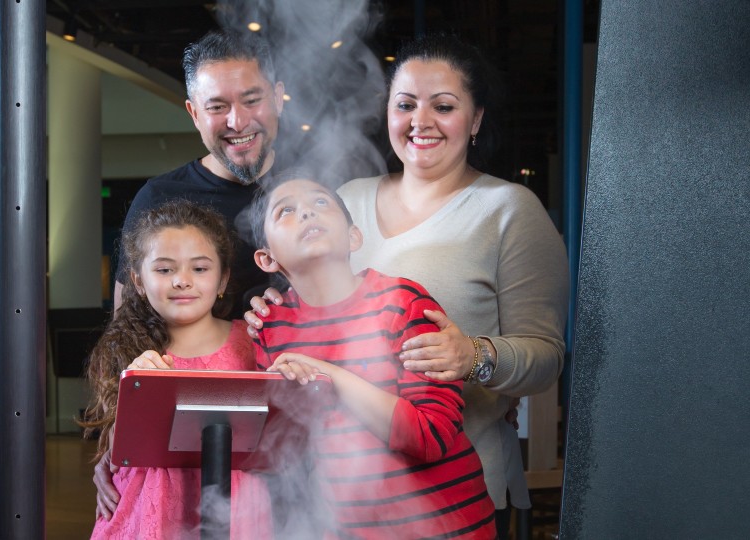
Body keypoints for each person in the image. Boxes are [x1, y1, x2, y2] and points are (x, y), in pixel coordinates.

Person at [246, 33, 569, 537]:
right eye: (405, 105)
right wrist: (279, 305)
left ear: (476, 119)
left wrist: (473, 356)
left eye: (443, 106)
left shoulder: (509, 210)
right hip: (346, 502)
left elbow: (546, 356)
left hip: (448, 488)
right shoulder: (345, 198)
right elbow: (316, 295)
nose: (421, 121)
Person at [245, 174, 496, 538]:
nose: (306, 215)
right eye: (286, 210)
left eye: (320, 203)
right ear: (267, 258)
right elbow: (281, 448)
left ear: (353, 236)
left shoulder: (403, 302)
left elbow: (432, 437)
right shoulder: (270, 328)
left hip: (449, 527)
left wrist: (326, 374)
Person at [82, 200, 273, 539]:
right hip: (149, 508)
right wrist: (137, 387)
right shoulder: (128, 351)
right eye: (165, 270)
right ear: (138, 281)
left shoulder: (253, 339)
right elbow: (117, 451)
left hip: (238, 504)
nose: (182, 281)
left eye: (199, 269)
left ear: (223, 279)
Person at [111, 30, 285, 314]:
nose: (238, 122)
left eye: (252, 101)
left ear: (278, 98)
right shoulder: (160, 198)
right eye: (217, 107)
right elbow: (126, 326)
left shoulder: (317, 185)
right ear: (194, 114)